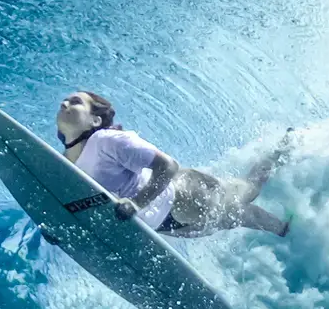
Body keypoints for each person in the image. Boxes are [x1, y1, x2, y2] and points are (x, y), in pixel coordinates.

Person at [54, 91, 291, 239]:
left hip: (184, 195)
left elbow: (168, 166)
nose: (64, 103)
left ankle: (285, 147)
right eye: (64, 101)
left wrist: (136, 204)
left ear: (95, 119)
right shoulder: (65, 162)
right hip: (170, 227)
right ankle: (285, 230)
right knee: (237, 214)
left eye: (75, 102)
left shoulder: (106, 140)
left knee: (246, 193)